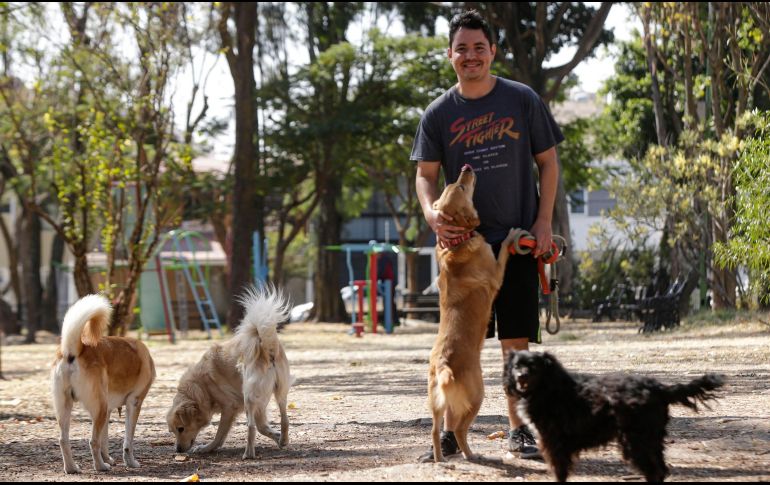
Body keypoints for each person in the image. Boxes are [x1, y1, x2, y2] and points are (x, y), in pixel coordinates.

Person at [411, 10, 563, 462]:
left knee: (514, 341)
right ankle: (451, 435)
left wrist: (543, 222)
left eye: (479, 47)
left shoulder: (522, 99)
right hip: (461, 249)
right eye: (462, 48)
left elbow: (549, 162)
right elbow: (424, 175)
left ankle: (519, 429)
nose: (470, 56)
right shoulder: (438, 113)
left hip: (516, 239)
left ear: (493, 51)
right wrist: (431, 214)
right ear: (450, 54)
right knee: (458, 343)